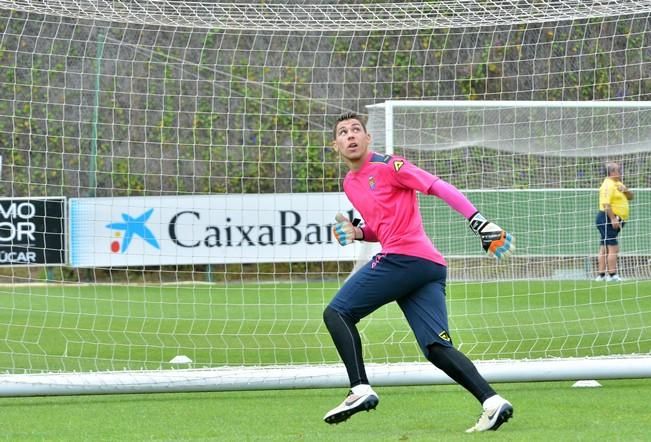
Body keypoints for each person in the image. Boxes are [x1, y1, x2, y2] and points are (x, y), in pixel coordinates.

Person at [322, 111, 515, 433]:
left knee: (337, 313)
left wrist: (479, 222)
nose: (351, 135)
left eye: (357, 129)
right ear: (336, 146)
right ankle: (492, 403)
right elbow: (381, 227)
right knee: (437, 348)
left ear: (368, 138)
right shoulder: (350, 183)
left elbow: (439, 186)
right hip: (426, 267)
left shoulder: (390, 165)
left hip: (405, 259)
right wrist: (359, 233)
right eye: (344, 132)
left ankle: (359, 389)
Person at [595, 162, 633, 282]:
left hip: (613, 218)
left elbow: (631, 197)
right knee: (613, 247)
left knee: (604, 247)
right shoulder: (608, 185)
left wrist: (626, 190)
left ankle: (601, 276)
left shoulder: (618, 183)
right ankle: (612, 275)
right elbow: (606, 204)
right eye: (618, 170)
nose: (620, 172)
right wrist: (613, 218)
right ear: (611, 172)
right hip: (607, 218)